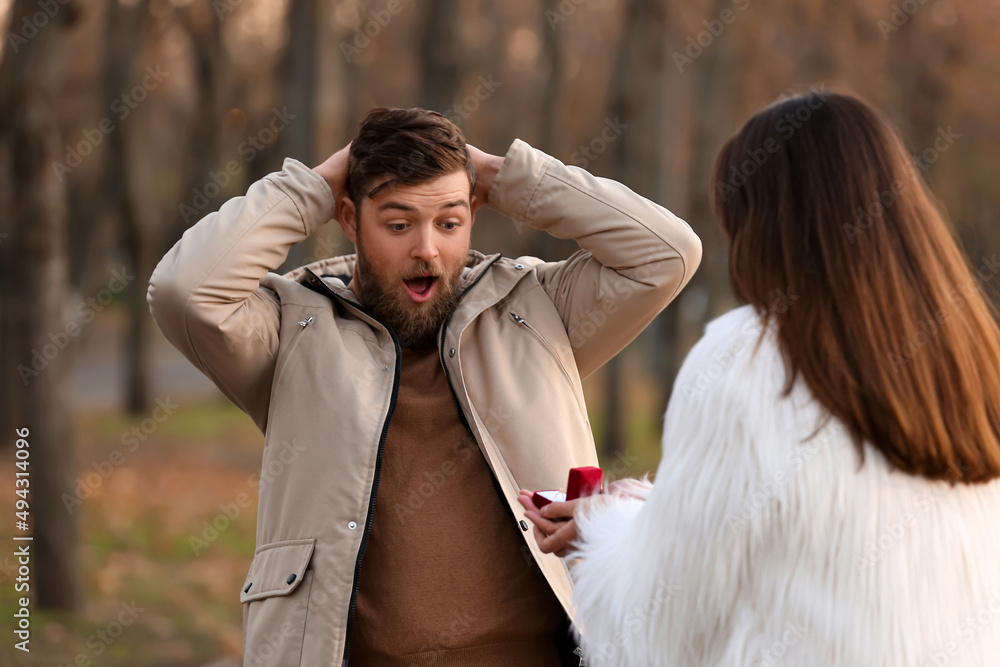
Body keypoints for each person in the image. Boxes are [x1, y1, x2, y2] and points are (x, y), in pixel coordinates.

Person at [147, 107, 701, 666]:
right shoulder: (291, 330)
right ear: (348, 217)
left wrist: (503, 176)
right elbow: (183, 291)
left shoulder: (537, 310)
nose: (426, 250)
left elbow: (668, 252)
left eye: (449, 222)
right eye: (397, 224)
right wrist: (313, 187)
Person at [520, 91, 1000, 666]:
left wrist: (599, 530)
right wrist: (659, 507)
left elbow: (662, 632)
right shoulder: (967, 355)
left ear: (765, 227)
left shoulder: (748, 359)